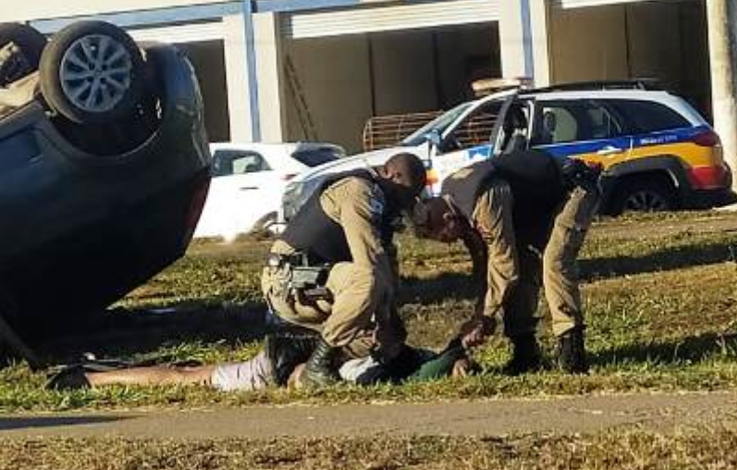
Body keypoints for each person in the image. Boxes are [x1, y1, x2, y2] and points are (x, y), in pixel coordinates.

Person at [413, 149, 601, 374]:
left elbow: (503, 263)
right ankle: (526, 352)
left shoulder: (480, 198)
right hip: (535, 206)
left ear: (448, 219)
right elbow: (486, 266)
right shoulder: (455, 202)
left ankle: (573, 352)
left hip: (572, 190)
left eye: (445, 237)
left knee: (554, 262)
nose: (451, 243)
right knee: (522, 264)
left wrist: (485, 316)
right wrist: (481, 314)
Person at [263, 152, 428, 387]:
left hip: (320, 281)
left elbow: (387, 272)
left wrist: (392, 333)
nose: (405, 204)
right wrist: (384, 320)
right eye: (406, 194)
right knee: (367, 282)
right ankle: (317, 367)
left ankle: (294, 351)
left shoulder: (382, 209)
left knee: (374, 327)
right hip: (289, 281)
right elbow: (369, 260)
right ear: (392, 175)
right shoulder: (357, 191)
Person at [45, 329, 478, 391]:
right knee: (185, 378)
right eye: (464, 368)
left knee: (189, 373)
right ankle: (91, 380)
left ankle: (96, 373)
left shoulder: (406, 360)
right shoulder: (395, 373)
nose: (464, 373)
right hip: (277, 367)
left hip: (285, 357)